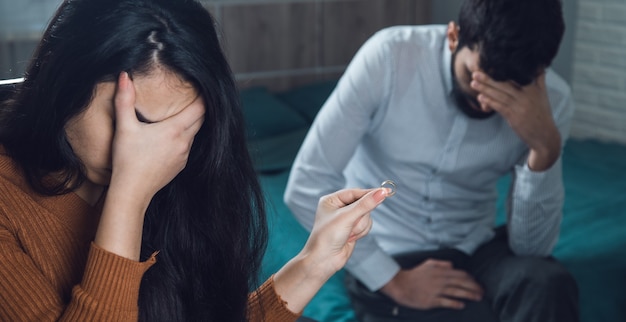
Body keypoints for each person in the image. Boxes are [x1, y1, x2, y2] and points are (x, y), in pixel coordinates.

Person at [0, 0, 391, 321]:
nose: (142, 153)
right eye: (129, 119)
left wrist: (314, 260)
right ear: (61, 77)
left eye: (174, 130)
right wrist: (129, 197)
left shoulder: (179, 168)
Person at [284, 0, 580, 321]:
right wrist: (393, 280)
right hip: (389, 250)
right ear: (453, 37)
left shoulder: (553, 103)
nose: (486, 103)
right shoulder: (390, 58)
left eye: (509, 91)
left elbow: (532, 249)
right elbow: (305, 184)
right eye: (477, 78)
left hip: (476, 246)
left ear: (539, 73)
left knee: (547, 285)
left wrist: (545, 151)